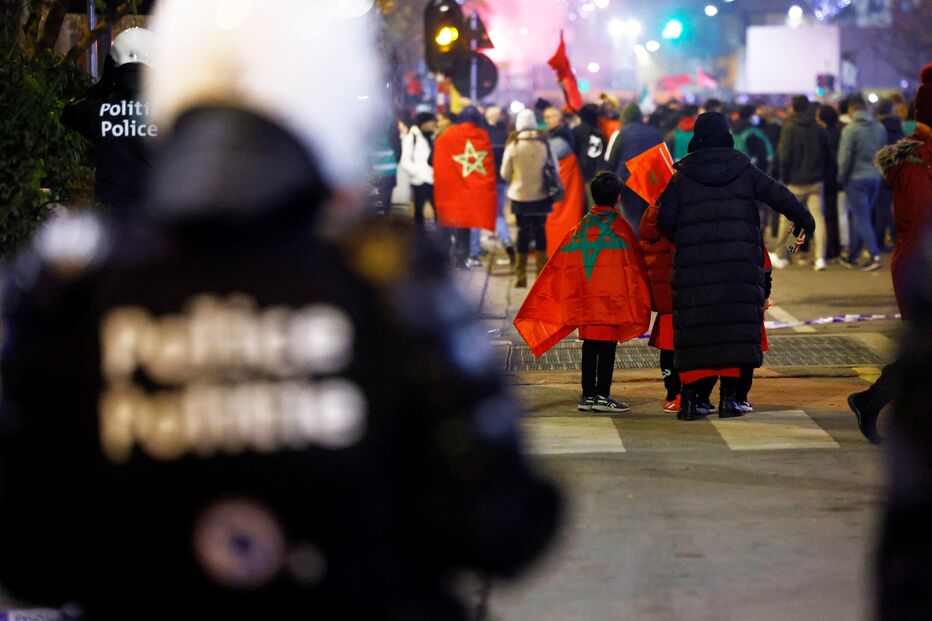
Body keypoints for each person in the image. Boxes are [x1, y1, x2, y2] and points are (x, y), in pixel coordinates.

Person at [0, 2, 562, 619]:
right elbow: (504, 527)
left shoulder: (79, 289)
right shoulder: (387, 284)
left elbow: (32, 560)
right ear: (332, 102)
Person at [658, 112, 815, 421]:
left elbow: (664, 222)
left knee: (697, 330)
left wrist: (689, 237)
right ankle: (732, 400)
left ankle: (691, 401)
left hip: (695, 268)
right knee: (735, 328)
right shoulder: (744, 168)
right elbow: (779, 196)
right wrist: (804, 221)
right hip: (740, 265)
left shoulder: (683, 175)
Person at [513, 172, 652, 413]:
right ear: (618, 198)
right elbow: (634, 266)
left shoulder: (580, 228)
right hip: (611, 303)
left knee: (589, 348)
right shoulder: (621, 229)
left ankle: (587, 396)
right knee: (607, 349)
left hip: (586, 303)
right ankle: (603, 396)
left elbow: (563, 266)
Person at [847, 63, 932, 445]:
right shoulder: (915, 161)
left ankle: (871, 400)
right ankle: (877, 403)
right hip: (920, 264)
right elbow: (921, 217)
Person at [60, 27, 158, 211]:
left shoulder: (98, 111)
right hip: (158, 215)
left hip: (111, 218)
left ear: (113, 65)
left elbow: (68, 111)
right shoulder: (169, 112)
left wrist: (103, 85)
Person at [501, 109, 555, 287]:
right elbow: (555, 169)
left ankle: (521, 275)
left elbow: (504, 173)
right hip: (541, 195)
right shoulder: (545, 143)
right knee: (540, 231)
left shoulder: (513, 144)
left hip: (519, 195)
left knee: (522, 233)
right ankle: (540, 274)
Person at [778, 95, 830, 270]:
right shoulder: (819, 128)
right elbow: (827, 154)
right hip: (816, 180)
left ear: (793, 107)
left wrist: (783, 178)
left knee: (788, 218)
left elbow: (784, 156)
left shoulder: (789, 127)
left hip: (795, 180)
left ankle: (785, 254)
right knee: (818, 218)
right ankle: (820, 258)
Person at [837, 95, 887, 271]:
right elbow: (884, 153)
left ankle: (874, 255)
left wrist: (841, 179)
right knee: (861, 217)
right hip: (875, 177)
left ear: (851, 110)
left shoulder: (850, 130)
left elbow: (844, 158)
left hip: (855, 179)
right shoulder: (879, 128)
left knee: (861, 217)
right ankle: (853, 255)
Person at [639, 203, 680, 413]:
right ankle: (683, 393)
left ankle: (672, 393)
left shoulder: (650, 219)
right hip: (684, 296)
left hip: (663, 299)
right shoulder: (680, 217)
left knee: (667, 348)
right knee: (686, 348)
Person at [606, 103, 664, 233]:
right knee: (648, 220)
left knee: (631, 221)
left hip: (628, 183)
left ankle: (634, 250)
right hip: (650, 182)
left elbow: (610, 161)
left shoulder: (620, 133)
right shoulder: (654, 132)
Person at [542, 106, 586, 260]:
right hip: (566, 188)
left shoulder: (560, 139)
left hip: (563, 189)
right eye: (545, 117)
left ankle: (558, 252)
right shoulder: (561, 134)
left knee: (557, 220)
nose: (546, 120)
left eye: (550, 116)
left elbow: (546, 159)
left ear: (558, 117)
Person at [483, 105, 516, 263]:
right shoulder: (505, 135)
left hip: (484, 180)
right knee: (498, 214)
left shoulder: (482, 134)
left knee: (477, 213)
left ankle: (473, 250)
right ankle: (506, 241)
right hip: (501, 180)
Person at [873, 98, 906, 252]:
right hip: (897, 171)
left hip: (881, 171)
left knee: (882, 209)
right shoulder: (899, 127)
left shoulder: (877, 127)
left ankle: (879, 242)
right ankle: (896, 238)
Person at [400, 111, 437, 227]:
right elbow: (405, 161)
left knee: (437, 209)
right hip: (418, 180)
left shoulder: (432, 136)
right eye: (432, 122)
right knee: (419, 210)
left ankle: (439, 236)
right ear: (424, 123)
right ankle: (419, 237)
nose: (434, 124)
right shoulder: (411, 138)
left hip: (432, 179)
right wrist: (417, 173)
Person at [818, 104, 845, 260]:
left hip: (818, 178)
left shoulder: (821, 133)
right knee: (832, 214)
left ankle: (790, 251)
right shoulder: (841, 131)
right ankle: (834, 249)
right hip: (835, 178)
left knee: (798, 216)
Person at [571, 103, 607, 186]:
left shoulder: (576, 130)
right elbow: (599, 154)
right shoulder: (598, 132)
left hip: (581, 172)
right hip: (594, 172)